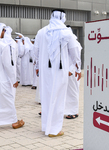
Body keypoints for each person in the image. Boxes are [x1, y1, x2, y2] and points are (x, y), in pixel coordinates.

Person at [34, 9, 81, 137]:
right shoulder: (66, 32)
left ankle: (46, 126)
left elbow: (36, 52)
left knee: (47, 96)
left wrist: (37, 67)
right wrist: (77, 68)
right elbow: (74, 52)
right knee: (58, 97)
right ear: (63, 17)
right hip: (60, 71)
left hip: (45, 71)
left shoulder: (41, 32)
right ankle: (54, 129)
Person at [64, 25, 82, 119]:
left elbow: (76, 58)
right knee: (64, 91)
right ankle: (65, 110)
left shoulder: (74, 42)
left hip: (71, 70)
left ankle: (74, 111)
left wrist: (73, 70)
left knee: (73, 91)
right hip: (63, 70)